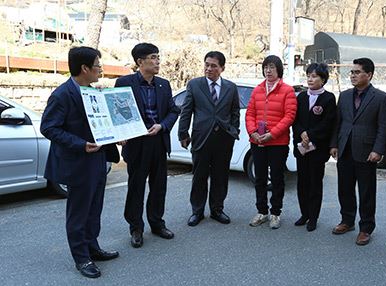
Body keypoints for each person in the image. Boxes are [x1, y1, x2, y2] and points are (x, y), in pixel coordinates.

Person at [41, 46, 120, 278]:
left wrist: (117, 135)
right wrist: (79, 144)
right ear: (84, 68)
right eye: (97, 65)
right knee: (79, 213)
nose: (101, 70)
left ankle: (92, 247)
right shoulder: (62, 95)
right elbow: (48, 127)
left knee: (94, 208)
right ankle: (82, 258)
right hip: (77, 162)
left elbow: (102, 124)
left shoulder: (93, 91)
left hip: (98, 159)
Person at [115, 43, 179, 248]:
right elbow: (115, 110)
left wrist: (162, 126)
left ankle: (157, 223)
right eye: (153, 57)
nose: (157, 61)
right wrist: (120, 134)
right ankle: (136, 227)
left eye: (158, 57)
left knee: (159, 187)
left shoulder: (164, 85)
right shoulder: (124, 83)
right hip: (136, 143)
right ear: (140, 62)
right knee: (136, 187)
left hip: (158, 142)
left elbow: (172, 111)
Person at [330, 57, 386, 245]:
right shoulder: (345, 95)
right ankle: (347, 221)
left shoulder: (380, 98)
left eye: (357, 72)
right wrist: (334, 144)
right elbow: (337, 122)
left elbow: (383, 126)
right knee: (344, 188)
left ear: (369, 75)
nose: (353, 75)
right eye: (352, 72)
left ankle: (366, 228)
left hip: (366, 151)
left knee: (366, 192)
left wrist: (378, 150)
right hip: (345, 148)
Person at [179, 51, 240, 226]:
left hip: (223, 139)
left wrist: (234, 130)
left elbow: (235, 111)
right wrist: (183, 133)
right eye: (207, 64)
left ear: (222, 68)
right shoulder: (195, 85)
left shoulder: (231, 87)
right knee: (199, 176)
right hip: (201, 137)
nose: (209, 68)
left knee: (220, 177)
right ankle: (197, 211)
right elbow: (186, 110)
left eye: (213, 65)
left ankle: (217, 210)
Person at [246, 55, 297, 229]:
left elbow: (289, 116)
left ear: (279, 70)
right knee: (259, 178)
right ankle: (261, 211)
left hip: (278, 143)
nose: (268, 70)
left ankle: (275, 213)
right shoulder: (257, 90)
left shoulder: (287, 91)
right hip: (258, 142)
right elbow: (250, 114)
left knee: (276, 178)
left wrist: (272, 134)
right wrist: (253, 132)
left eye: (272, 67)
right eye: (266, 67)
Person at [292, 63, 337, 232]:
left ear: (323, 79)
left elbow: (328, 123)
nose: (310, 79)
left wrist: (310, 135)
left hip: (317, 148)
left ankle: (313, 217)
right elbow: (295, 121)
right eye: (309, 75)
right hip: (301, 148)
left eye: (314, 76)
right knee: (302, 183)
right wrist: (302, 133)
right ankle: (304, 214)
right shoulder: (301, 97)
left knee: (315, 183)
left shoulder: (328, 98)